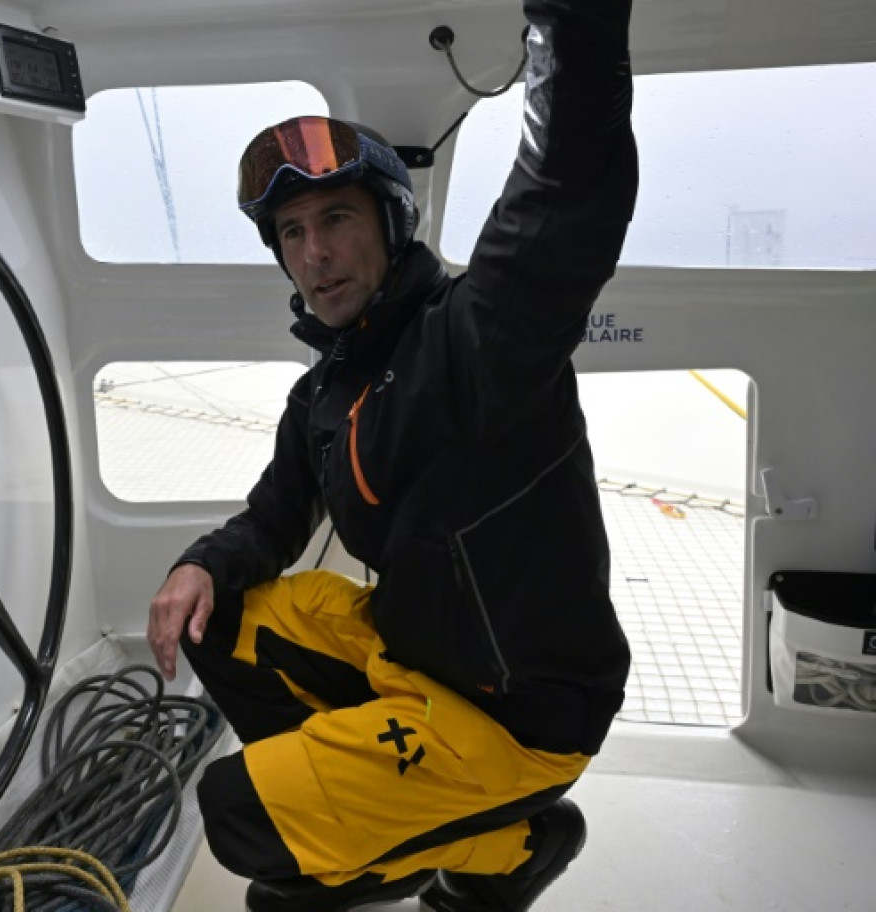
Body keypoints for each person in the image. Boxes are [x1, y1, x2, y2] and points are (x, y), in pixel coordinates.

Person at [146, 1, 638, 910]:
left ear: (391, 222)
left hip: (518, 714)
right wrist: (199, 566)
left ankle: (503, 845)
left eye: (336, 217)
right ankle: (398, 825)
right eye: (291, 233)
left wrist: (571, 24)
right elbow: (272, 518)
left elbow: (567, 191)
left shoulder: (477, 341)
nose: (316, 253)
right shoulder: (326, 391)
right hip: (415, 655)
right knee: (224, 617)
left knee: (238, 818)